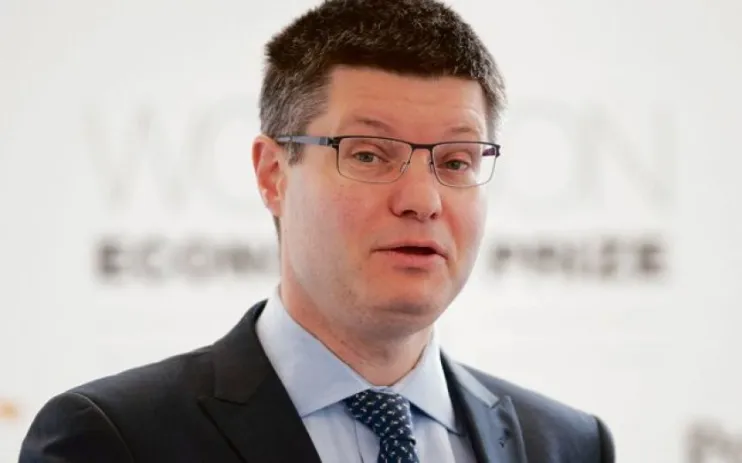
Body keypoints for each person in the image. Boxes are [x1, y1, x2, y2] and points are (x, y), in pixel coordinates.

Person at [19, 0, 615, 462]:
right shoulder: (115, 438)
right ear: (274, 174)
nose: (422, 200)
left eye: (456, 161)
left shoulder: (567, 445)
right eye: (368, 154)